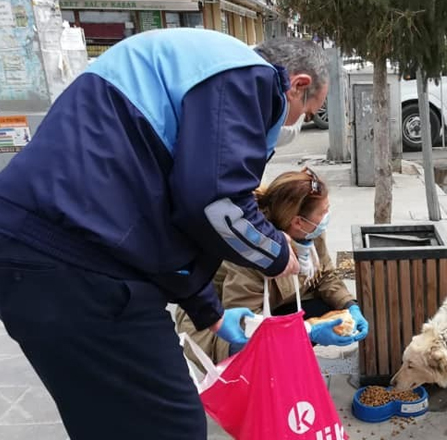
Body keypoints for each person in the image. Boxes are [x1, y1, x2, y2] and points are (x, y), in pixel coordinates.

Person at [0, 30, 328, 439]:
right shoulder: (248, 76)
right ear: (297, 85)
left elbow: (162, 217)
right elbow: (214, 203)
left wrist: (211, 311)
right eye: (310, 111)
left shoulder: (198, 65)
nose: (300, 123)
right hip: (76, 263)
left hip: (40, 252)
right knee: (173, 426)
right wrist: (279, 253)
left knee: (113, 424)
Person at [177, 168, 369, 365]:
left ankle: (287, 362)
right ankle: (267, 372)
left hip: (272, 307)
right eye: (324, 211)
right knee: (260, 344)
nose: (327, 215)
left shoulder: (311, 231)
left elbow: (326, 275)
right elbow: (246, 326)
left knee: (327, 308)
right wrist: (309, 331)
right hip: (220, 329)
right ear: (298, 222)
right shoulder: (253, 248)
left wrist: (349, 305)